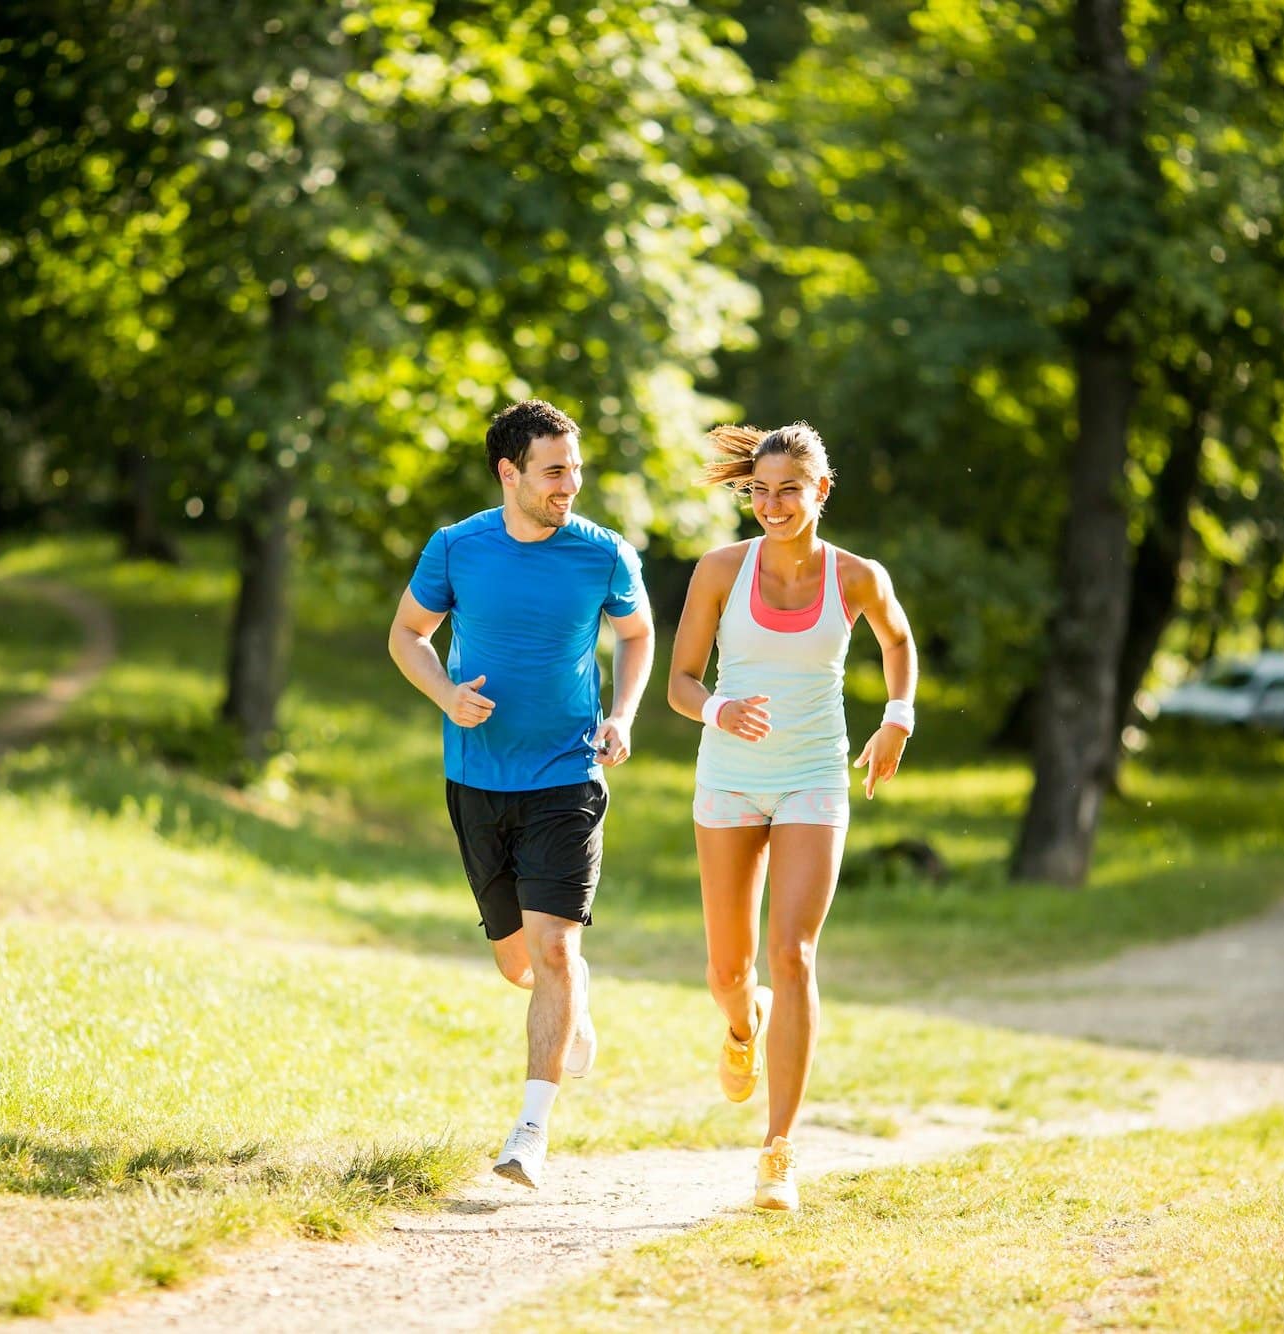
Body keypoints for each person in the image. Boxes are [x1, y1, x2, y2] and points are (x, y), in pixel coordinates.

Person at [388, 398, 655, 1189]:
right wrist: (444, 695)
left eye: (574, 469)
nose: (569, 484)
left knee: (556, 947)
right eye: (554, 471)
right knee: (519, 965)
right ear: (510, 472)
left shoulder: (603, 554)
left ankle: (529, 1133)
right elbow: (408, 634)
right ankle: (573, 1005)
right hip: (476, 778)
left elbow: (636, 634)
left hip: (566, 775)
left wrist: (623, 714)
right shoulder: (455, 548)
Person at [666, 422, 916, 1211]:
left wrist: (898, 717)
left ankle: (778, 1154)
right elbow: (678, 682)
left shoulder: (856, 577)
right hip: (731, 781)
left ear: (822, 491)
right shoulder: (717, 571)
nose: (772, 505)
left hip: (814, 777)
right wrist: (718, 708)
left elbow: (898, 640)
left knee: (794, 953)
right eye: (759, 490)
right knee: (728, 973)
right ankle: (743, 1029)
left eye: (789, 490)